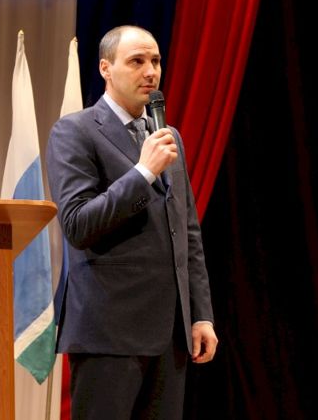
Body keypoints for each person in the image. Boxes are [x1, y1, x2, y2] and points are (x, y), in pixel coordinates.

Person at [46, 25, 218, 419]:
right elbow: (77, 224)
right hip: (109, 332)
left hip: (170, 333)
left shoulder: (167, 135)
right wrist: (143, 173)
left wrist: (200, 313)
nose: (151, 72)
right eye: (137, 61)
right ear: (105, 68)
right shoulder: (75, 131)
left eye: (155, 61)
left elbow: (187, 232)